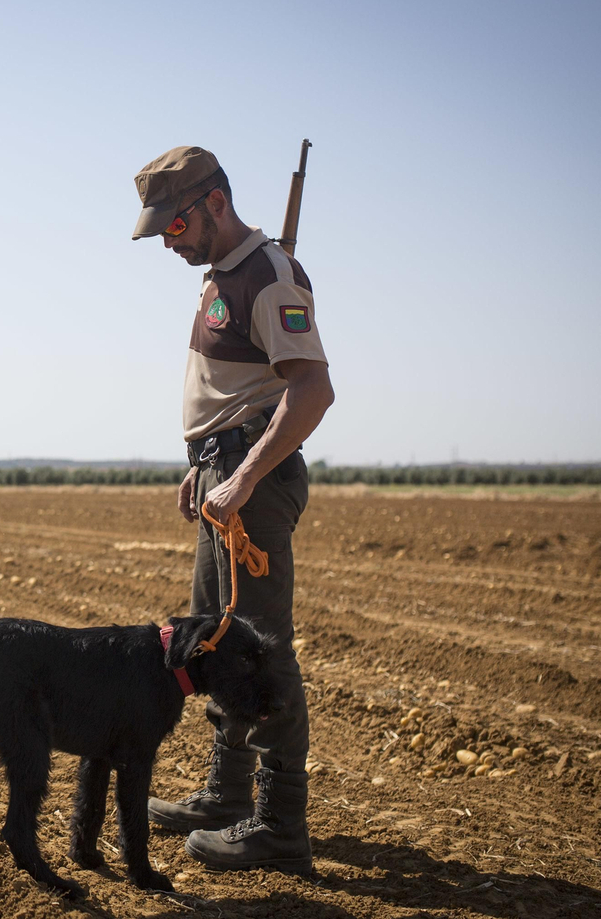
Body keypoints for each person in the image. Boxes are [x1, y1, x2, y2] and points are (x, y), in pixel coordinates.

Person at [131, 145, 335, 873]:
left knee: (262, 648)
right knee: (218, 644)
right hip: (223, 474)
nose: (169, 241)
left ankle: (280, 823)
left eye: (175, 223)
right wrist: (203, 463)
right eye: (161, 230)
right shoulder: (223, 275)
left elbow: (310, 391)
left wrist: (243, 476)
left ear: (214, 202)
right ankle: (227, 793)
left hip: (255, 484)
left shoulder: (269, 272)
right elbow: (233, 390)